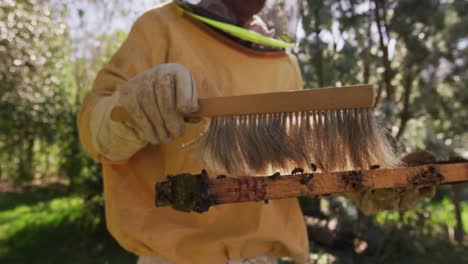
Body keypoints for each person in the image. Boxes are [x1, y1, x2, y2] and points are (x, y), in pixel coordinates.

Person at [77, 1, 434, 263]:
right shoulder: (160, 28)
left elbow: (299, 157)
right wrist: (129, 110)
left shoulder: (284, 62)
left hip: (271, 257)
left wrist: (366, 182)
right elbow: (95, 131)